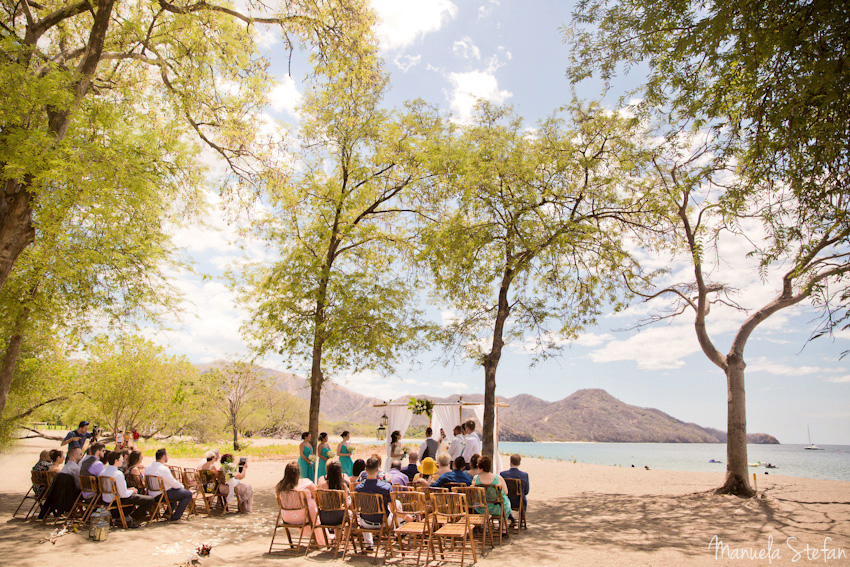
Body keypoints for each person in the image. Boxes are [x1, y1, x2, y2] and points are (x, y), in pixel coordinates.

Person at [100, 450, 155, 528]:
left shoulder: (102, 472)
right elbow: (123, 494)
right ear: (116, 461)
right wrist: (131, 490)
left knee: (134, 495)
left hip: (106, 500)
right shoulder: (118, 474)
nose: (123, 460)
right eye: (121, 458)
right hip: (117, 500)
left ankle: (125, 517)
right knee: (150, 500)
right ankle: (133, 517)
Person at [276, 461, 325, 545]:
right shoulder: (305, 483)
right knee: (313, 506)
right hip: (303, 517)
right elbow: (316, 495)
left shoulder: (279, 487)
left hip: (286, 517)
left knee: (309, 506)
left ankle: (315, 537)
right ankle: (319, 538)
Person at [354, 456, 393, 548]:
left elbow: (356, 507)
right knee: (392, 512)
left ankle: (368, 544)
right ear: (378, 470)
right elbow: (392, 507)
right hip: (383, 522)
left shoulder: (359, 488)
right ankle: (392, 538)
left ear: (365, 470)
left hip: (365, 522)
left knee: (364, 513)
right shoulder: (386, 487)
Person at [145, 448, 193, 521]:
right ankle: (176, 517)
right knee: (187, 494)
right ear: (163, 457)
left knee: (173, 490)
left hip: (151, 493)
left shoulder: (148, 467)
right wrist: (182, 487)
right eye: (167, 455)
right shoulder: (163, 469)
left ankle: (167, 513)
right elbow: (173, 483)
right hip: (161, 495)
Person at [317, 459, 349, 527]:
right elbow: (346, 505)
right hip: (339, 518)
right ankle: (344, 536)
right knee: (351, 516)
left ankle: (337, 536)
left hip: (324, 517)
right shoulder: (342, 486)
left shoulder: (322, 486)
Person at [500, 453, 529, 525]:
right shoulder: (524, 475)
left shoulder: (503, 474)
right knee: (524, 499)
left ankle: (511, 518)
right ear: (519, 463)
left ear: (510, 462)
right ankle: (521, 519)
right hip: (518, 501)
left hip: (506, 501)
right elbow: (526, 491)